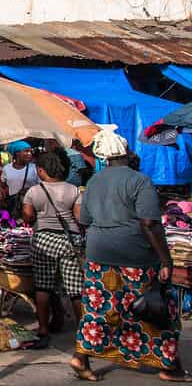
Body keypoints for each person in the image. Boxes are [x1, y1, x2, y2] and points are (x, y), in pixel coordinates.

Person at [70, 147, 191, 382]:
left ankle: (80, 358)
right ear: (127, 156)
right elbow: (149, 223)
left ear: (105, 156)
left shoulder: (93, 181)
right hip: (136, 257)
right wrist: (165, 259)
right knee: (154, 309)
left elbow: (84, 219)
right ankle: (170, 365)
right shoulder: (140, 181)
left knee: (99, 310)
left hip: (98, 255)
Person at [21, 151, 84, 349]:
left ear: (41, 170)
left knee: (43, 287)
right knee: (75, 289)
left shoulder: (34, 192)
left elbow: (28, 218)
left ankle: (43, 330)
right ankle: (83, 331)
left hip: (44, 240)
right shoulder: (73, 190)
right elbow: (80, 219)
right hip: (69, 240)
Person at [0, 141, 39, 215]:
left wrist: (30, 190)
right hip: (14, 208)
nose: (30, 154)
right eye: (26, 151)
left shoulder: (34, 168)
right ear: (17, 153)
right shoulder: (7, 168)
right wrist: (1, 198)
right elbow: (2, 186)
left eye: (30, 151)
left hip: (31, 208)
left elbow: (42, 186)